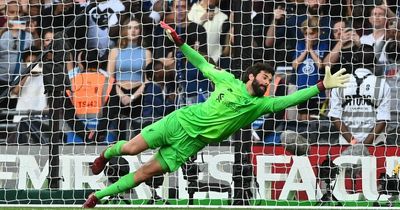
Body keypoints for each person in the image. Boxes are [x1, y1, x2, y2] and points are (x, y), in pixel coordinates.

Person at [82, 21, 350, 208]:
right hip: (180, 122)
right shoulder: (226, 79)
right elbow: (200, 62)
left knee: (143, 174)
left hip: (190, 145)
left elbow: (291, 98)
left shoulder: (261, 105)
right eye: (265, 78)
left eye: (269, 80)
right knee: (129, 149)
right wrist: (180, 43)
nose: (267, 83)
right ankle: (104, 155)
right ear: (252, 76)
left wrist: (321, 86)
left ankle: (98, 197)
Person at [328, 45, 391, 145]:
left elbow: (335, 117)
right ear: (374, 62)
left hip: (347, 145)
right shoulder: (383, 85)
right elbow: (383, 119)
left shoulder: (340, 82)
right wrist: (365, 146)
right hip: (375, 147)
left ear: (354, 61)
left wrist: (353, 143)